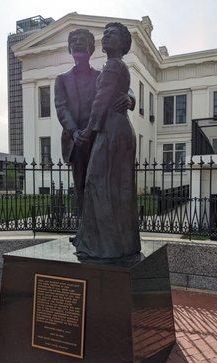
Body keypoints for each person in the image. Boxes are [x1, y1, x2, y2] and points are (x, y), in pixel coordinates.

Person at [73, 22, 141, 259]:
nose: (105, 37)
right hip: (112, 131)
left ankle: (105, 245)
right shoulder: (112, 67)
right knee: (112, 188)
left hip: (108, 131)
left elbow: (103, 100)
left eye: (111, 34)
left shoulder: (112, 66)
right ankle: (115, 243)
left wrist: (89, 132)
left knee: (99, 185)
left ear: (122, 43)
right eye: (105, 34)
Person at [54, 29, 135, 215]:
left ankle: (99, 233)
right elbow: (62, 109)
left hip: (100, 137)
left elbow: (123, 86)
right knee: (81, 187)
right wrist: (75, 132)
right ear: (69, 48)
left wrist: (130, 99)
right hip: (76, 141)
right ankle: (83, 232)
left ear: (91, 48)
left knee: (101, 186)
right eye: (73, 40)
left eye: (82, 40)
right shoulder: (62, 80)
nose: (77, 42)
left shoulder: (102, 73)